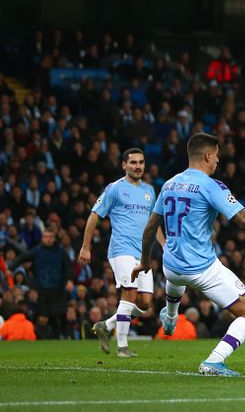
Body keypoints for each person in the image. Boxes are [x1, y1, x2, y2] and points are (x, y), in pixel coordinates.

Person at [131, 133, 245, 376]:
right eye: (217, 155)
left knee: (175, 282)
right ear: (208, 155)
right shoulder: (211, 186)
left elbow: (149, 229)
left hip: (171, 265)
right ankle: (214, 361)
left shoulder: (168, 184)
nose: (218, 160)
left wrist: (145, 261)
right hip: (201, 269)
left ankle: (170, 317)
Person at [80, 148, 165, 357]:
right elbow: (94, 216)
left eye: (141, 162)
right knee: (129, 292)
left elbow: (153, 223)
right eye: (133, 162)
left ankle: (106, 325)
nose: (138, 166)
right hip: (122, 250)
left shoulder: (149, 191)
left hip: (143, 253)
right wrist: (85, 246)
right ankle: (122, 346)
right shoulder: (114, 188)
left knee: (145, 303)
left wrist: (164, 245)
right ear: (124, 165)